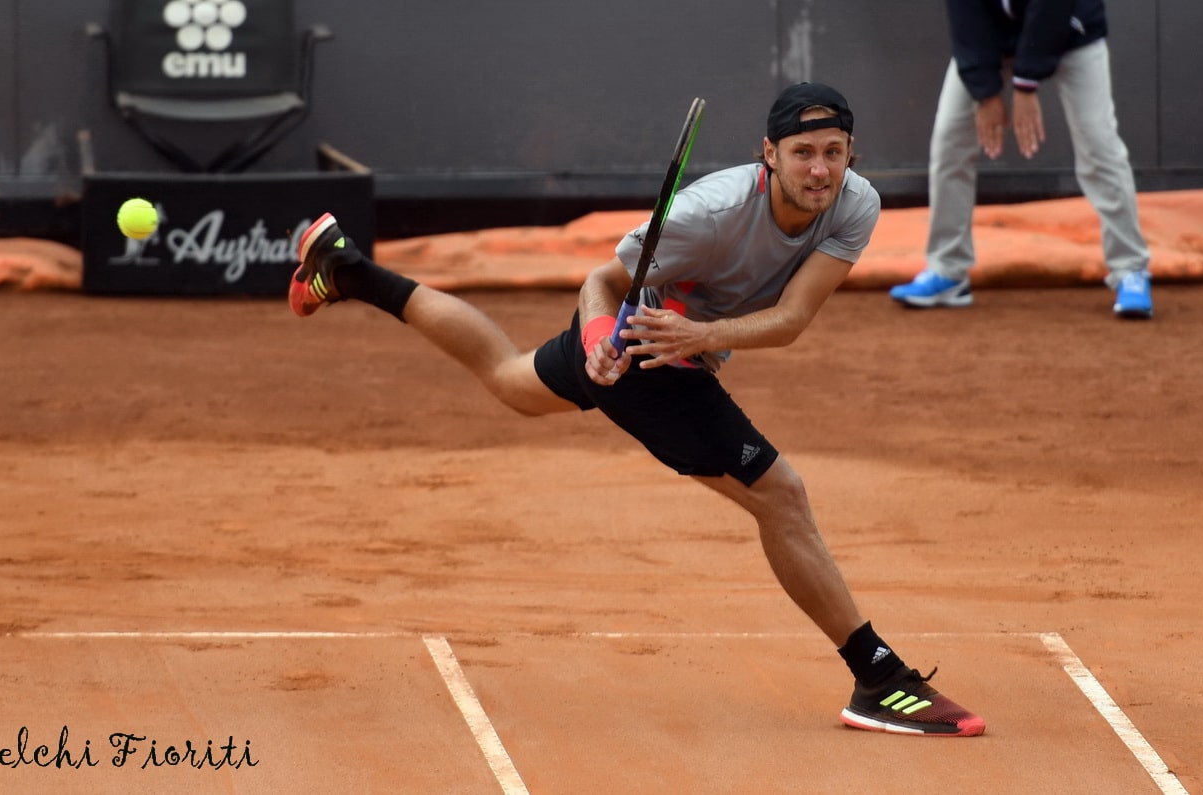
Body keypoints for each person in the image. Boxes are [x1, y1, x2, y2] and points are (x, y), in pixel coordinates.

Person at [289, 82, 985, 737]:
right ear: (766, 155)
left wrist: (702, 335)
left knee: (508, 378)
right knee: (781, 497)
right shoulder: (707, 214)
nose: (819, 169)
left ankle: (349, 269)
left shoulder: (855, 204)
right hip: (646, 352)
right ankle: (877, 679)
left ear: (849, 157)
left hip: (684, 341)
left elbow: (793, 316)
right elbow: (602, 279)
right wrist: (600, 342)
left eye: (833, 153)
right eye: (802, 153)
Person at [889, 0, 1153, 319]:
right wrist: (985, 92)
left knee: (1100, 145)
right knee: (950, 143)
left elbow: (1051, 9)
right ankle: (948, 270)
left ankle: (1130, 270)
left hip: (1071, 28)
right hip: (994, 36)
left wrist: (1026, 84)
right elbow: (966, 15)